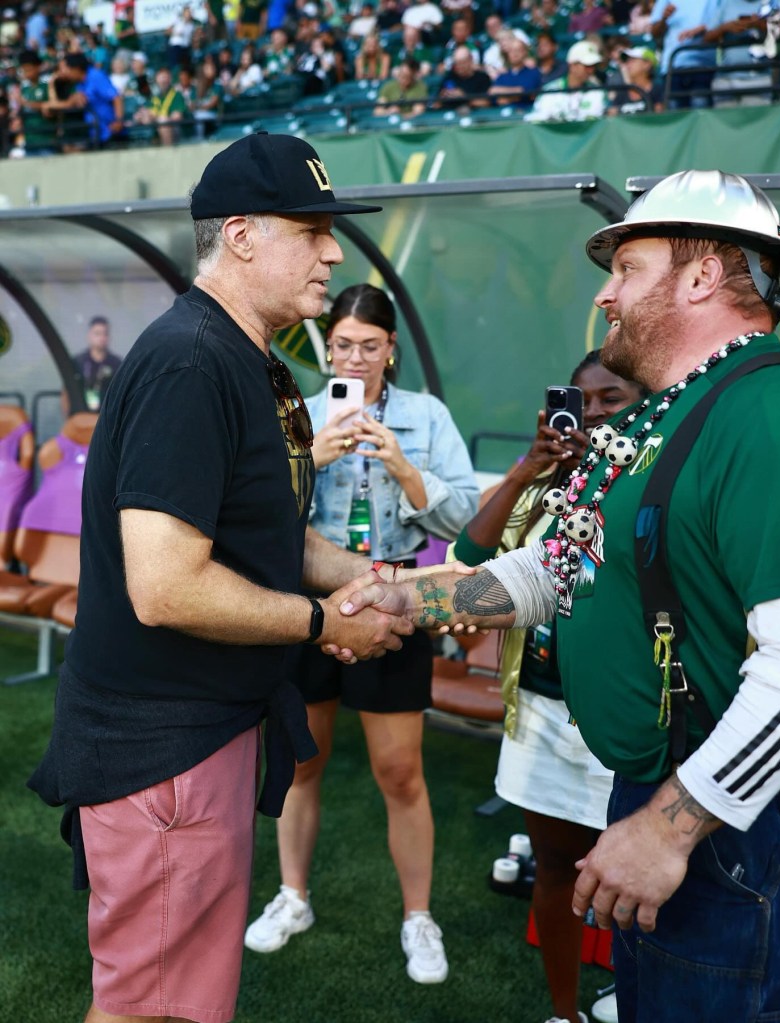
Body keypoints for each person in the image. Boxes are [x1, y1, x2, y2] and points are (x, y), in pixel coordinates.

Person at [339, 169, 780, 1023]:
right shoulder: (658, 415)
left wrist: (669, 827)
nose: (605, 296)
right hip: (668, 790)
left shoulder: (776, 411)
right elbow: (557, 565)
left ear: (703, 276)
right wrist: (416, 603)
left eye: (628, 269)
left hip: (737, 819)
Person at [27, 131, 418, 1023]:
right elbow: (165, 586)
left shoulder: (244, 357)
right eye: (311, 230)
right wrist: (326, 624)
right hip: (163, 747)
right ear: (240, 235)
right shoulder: (191, 362)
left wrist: (379, 580)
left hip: (203, 735)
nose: (333, 252)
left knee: (183, 1000)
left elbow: (267, 531)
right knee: (148, 1008)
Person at [243, 283, 479, 985]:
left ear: (391, 348)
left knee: (400, 771)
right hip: (312, 602)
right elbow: (257, 511)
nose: (354, 357)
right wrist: (310, 458)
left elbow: (466, 518)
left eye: (369, 346)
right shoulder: (299, 414)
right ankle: (293, 895)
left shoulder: (425, 416)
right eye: (342, 345)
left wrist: (402, 464)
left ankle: (418, 916)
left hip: (395, 599)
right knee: (301, 762)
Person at [452, 351, 645, 1023]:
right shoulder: (546, 486)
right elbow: (468, 561)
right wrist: (527, 470)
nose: (591, 415)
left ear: (647, 407)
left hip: (620, 721)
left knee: (632, 881)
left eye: (611, 400)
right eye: (580, 401)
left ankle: (631, 996)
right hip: (538, 706)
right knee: (556, 866)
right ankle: (565, 1012)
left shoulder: (656, 484)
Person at [701, 0, 780, 106]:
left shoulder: (777, 1)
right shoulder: (726, 3)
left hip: (759, 78)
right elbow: (706, 38)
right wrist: (725, 28)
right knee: (723, 117)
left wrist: (760, 24)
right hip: (725, 79)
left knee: (756, 117)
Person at [44, 52, 124, 150]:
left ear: (76, 68)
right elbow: (69, 103)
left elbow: (116, 98)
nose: (63, 72)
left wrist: (118, 120)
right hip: (96, 135)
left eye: (65, 69)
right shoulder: (79, 84)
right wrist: (52, 83)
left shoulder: (95, 76)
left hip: (112, 134)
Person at [650, 0, 715, 108]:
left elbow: (721, 21)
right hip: (672, 65)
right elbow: (655, 32)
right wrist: (664, 18)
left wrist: (703, 28)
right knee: (674, 113)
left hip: (703, 64)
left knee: (701, 110)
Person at [525, 40, 606, 122]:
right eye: (587, 66)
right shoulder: (550, 90)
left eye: (593, 66)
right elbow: (537, 120)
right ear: (572, 65)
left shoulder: (597, 92)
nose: (591, 70)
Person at [62, 315, 123, 415]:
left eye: (105, 334)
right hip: (81, 418)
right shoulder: (78, 362)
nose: (102, 338)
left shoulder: (116, 363)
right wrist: (70, 418)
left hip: (106, 417)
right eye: (97, 334)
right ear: (89, 335)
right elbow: (66, 393)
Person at [606, 45, 664, 114]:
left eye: (633, 60)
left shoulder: (658, 90)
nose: (628, 64)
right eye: (627, 60)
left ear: (647, 64)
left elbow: (660, 116)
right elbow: (611, 114)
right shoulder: (622, 93)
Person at [488, 36, 542, 107]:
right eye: (511, 51)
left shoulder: (533, 73)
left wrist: (504, 95)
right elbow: (492, 93)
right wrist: (517, 93)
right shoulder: (502, 76)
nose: (515, 53)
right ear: (507, 54)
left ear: (525, 52)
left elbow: (528, 93)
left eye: (518, 50)